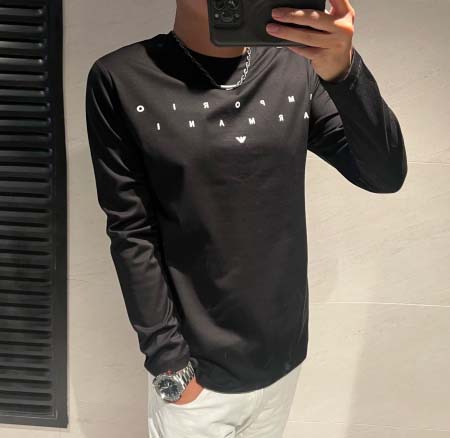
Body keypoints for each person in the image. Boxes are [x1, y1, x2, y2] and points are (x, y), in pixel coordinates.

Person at [85, 0, 407, 436]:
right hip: (195, 378)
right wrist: (169, 365)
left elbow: (384, 175)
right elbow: (131, 232)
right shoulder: (121, 78)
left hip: (282, 361)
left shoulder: (297, 67)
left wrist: (344, 70)